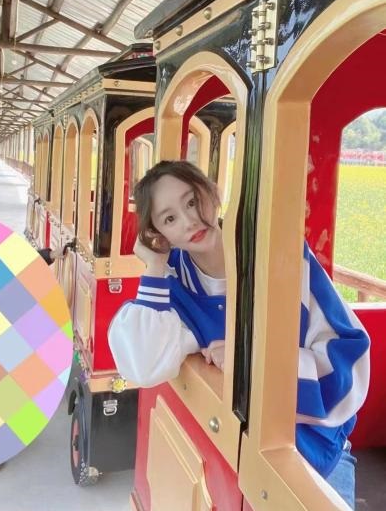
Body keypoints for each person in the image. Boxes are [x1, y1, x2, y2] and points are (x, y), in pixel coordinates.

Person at [108, 160, 370, 509]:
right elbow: (142, 366)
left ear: (212, 191)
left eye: (192, 201)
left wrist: (246, 361)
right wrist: (154, 268)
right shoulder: (175, 283)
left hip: (316, 457)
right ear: (159, 234)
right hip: (233, 468)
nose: (188, 221)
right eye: (169, 219)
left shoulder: (280, 256)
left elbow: (349, 362)